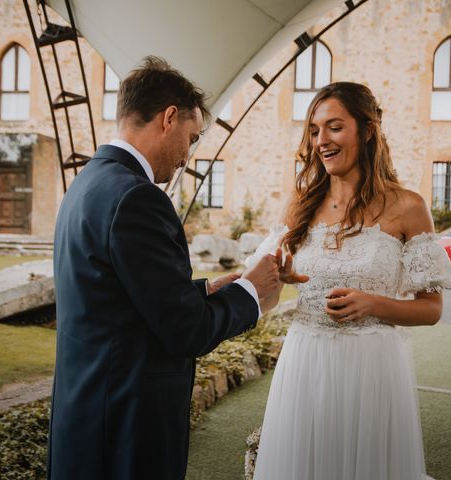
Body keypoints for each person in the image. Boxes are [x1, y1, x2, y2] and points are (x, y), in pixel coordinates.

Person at [48, 57, 281, 480]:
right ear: (169, 118)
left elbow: (118, 295)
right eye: (191, 139)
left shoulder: (88, 182)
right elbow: (185, 331)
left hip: (84, 411)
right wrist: (251, 292)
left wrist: (203, 291)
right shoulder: (138, 197)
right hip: (126, 425)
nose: (186, 157)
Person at [249, 82, 451, 480]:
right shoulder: (300, 204)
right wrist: (282, 277)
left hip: (372, 370)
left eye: (334, 127)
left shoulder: (408, 207)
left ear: (366, 131)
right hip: (306, 362)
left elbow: (431, 309)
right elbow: (264, 286)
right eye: (313, 130)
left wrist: (375, 304)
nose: (321, 141)